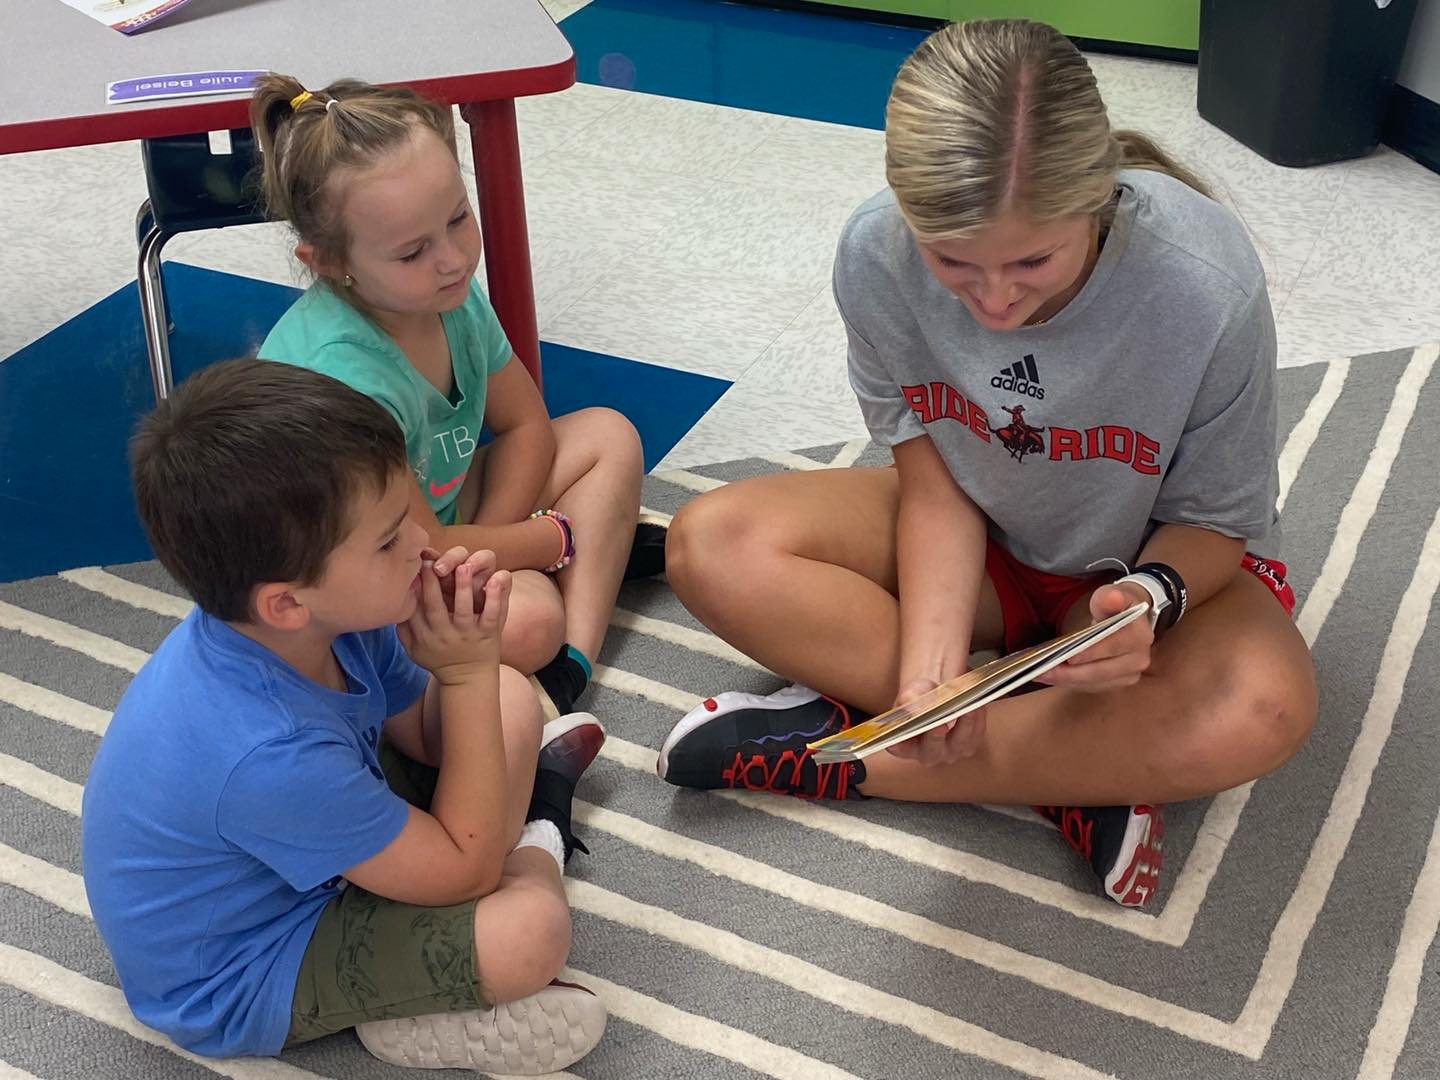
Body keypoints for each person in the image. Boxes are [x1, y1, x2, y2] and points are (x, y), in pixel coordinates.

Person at [656, 19, 1316, 908]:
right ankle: (1071, 765)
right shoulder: (875, 252)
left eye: (1033, 261)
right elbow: (932, 489)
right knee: (709, 544)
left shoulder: (1204, 282)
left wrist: (1143, 604)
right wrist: (928, 672)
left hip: (1161, 571)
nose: (996, 300)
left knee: (1265, 706)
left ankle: (847, 757)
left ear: (1099, 200)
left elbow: (1219, 523)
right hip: (984, 544)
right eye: (953, 264)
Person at [82, 361, 607, 1072]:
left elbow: (423, 731)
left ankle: (505, 851)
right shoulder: (267, 752)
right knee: (530, 932)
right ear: (287, 602)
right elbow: (465, 874)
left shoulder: (325, 617)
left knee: (511, 699)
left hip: (306, 846)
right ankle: (540, 830)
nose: (426, 543)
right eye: (391, 539)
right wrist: (468, 671)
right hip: (251, 965)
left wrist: (468, 674)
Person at [251, 74, 665, 722]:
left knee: (608, 436)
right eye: (414, 250)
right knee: (529, 618)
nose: (453, 259)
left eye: (458, 218)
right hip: (361, 576)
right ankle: (567, 591)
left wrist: (492, 542)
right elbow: (420, 551)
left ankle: (566, 677)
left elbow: (528, 426)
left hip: (434, 522)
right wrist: (546, 540)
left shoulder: (449, 294)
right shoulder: (346, 377)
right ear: (330, 262)